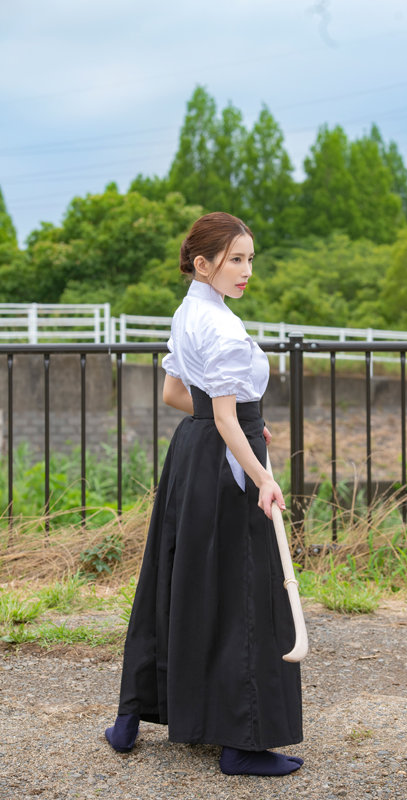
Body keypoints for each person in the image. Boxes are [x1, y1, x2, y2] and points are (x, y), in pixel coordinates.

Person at [105, 212, 303, 776]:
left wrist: (244, 422)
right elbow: (223, 415)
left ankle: (131, 718)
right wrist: (263, 475)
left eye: (250, 259)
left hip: (191, 455)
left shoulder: (188, 311)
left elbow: (177, 395)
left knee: (176, 577)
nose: (246, 270)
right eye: (235, 259)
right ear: (203, 263)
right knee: (243, 589)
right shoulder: (223, 328)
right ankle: (241, 744)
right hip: (223, 462)